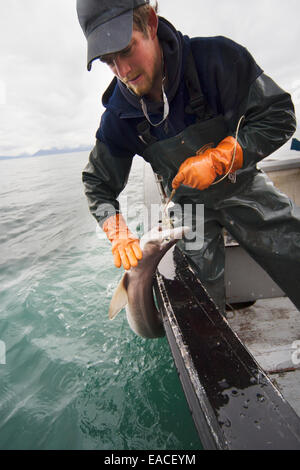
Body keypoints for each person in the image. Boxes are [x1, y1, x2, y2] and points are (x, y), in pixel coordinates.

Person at [76, 0, 300, 313]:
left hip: (242, 184)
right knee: (195, 295)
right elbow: (97, 183)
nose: (123, 71)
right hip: (188, 208)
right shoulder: (117, 117)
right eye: (108, 62)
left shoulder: (218, 59)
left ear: (151, 23)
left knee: (293, 246)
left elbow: (279, 116)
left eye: (127, 49)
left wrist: (221, 158)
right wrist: (117, 231)